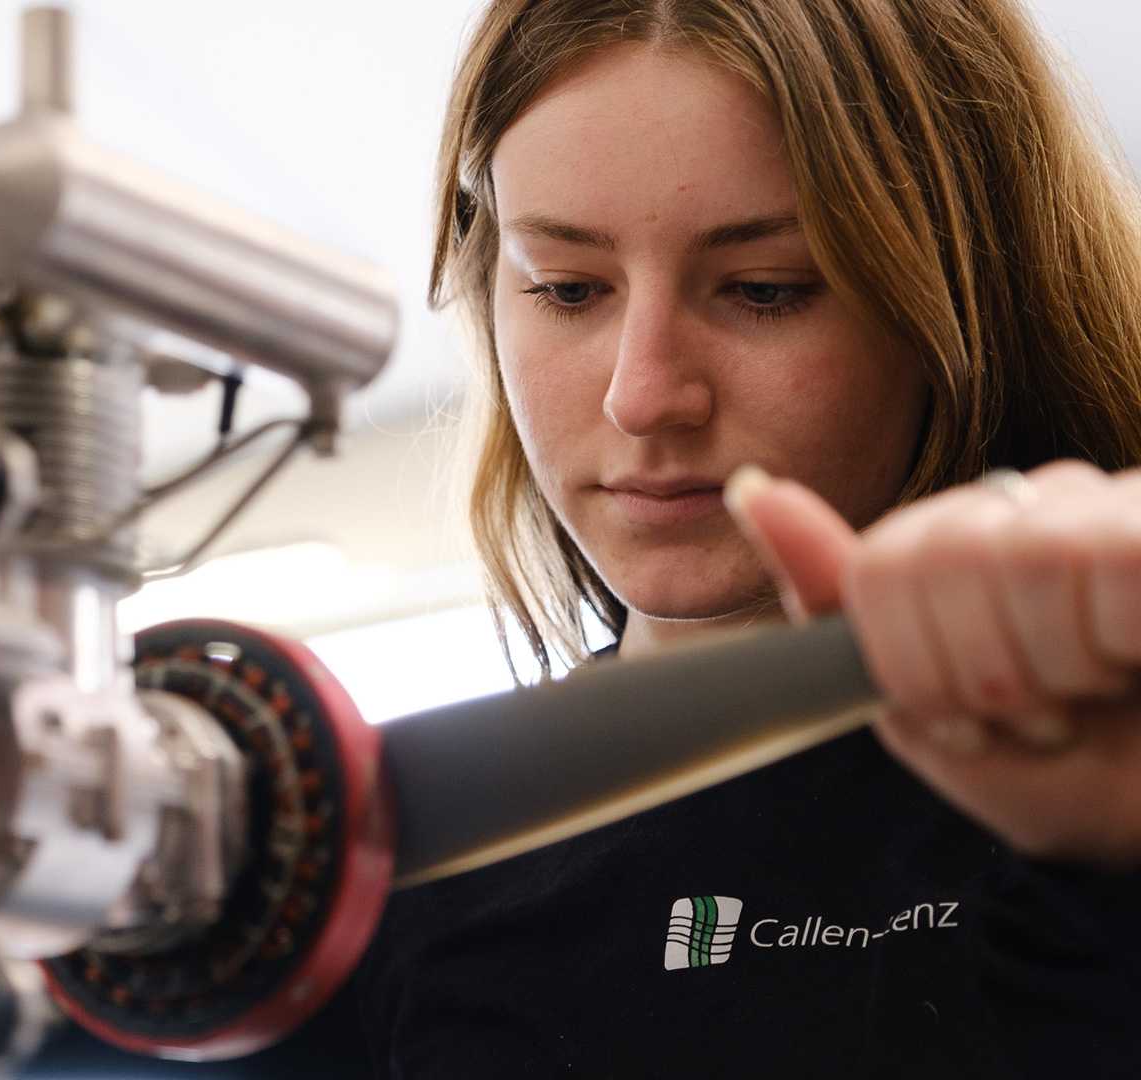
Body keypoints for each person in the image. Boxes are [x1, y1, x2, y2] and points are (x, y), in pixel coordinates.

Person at [357, 0, 1141, 1075]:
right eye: (568, 288)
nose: (644, 395)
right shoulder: (396, 869)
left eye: (765, 291)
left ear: (964, 288)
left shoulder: (1107, 774)